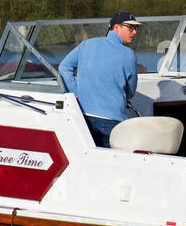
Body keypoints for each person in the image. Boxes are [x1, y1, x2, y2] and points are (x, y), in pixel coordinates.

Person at [59, 12, 141, 147]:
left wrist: (76, 93)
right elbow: (131, 92)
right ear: (116, 27)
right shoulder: (129, 55)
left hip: (83, 117)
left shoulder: (87, 44)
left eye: (136, 29)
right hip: (112, 121)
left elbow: (64, 67)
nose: (134, 32)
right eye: (130, 28)